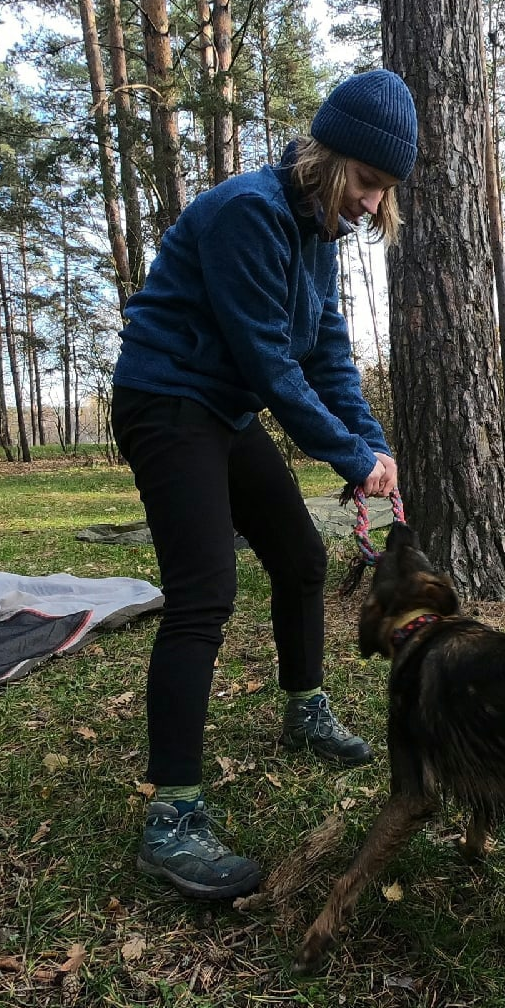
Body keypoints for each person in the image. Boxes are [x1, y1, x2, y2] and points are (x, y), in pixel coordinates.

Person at [109, 69, 418, 899]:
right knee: (203, 595)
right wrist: (346, 458)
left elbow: (325, 355)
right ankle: (172, 818)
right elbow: (268, 362)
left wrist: (372, 447)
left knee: (298, 556)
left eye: (384, 192)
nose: (369, 203)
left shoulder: (318, 238)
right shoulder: (248, 211)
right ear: (326, 157)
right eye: (364, 181)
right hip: (168, 400)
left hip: (224, 409)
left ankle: (305, 709)